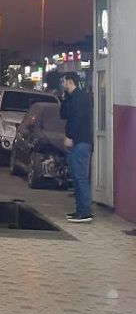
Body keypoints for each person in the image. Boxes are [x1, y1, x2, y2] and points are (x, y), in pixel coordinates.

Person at [60, 72, 93, 223]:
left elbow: (78, 119)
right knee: (75, 176)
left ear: (70, 81)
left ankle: (85, 211)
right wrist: (63, 100)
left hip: (81, 142)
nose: (62, 84)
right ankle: (80, 209)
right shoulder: (71, 98)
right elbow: (63, 116)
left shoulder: (79, 97)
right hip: (76, 142)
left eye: (63, 81)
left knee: (80, 176)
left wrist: (70, 136)